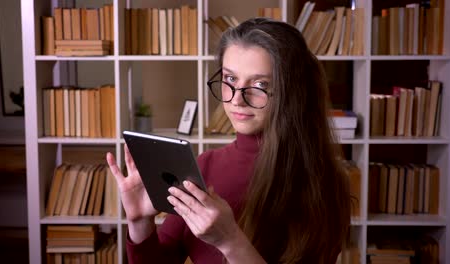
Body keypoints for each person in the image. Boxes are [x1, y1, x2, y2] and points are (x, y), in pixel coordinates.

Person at [106, 17, 351, 263]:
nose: (237, 100)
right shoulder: (205, 166)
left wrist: (230, 241)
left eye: (260, 84)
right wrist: (139, 223)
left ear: (293, 91)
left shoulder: (324, 183)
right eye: (231, 79)